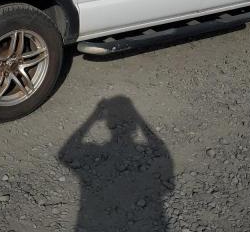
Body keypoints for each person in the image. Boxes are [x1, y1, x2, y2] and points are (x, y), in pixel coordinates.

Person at [58, 96, 174, 232]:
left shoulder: (96, 151)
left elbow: (66, 153)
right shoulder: (144, 153)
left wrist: (93, 117)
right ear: (134, 128)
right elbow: (161, 151)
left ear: (107, 125)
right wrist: (139, 118)